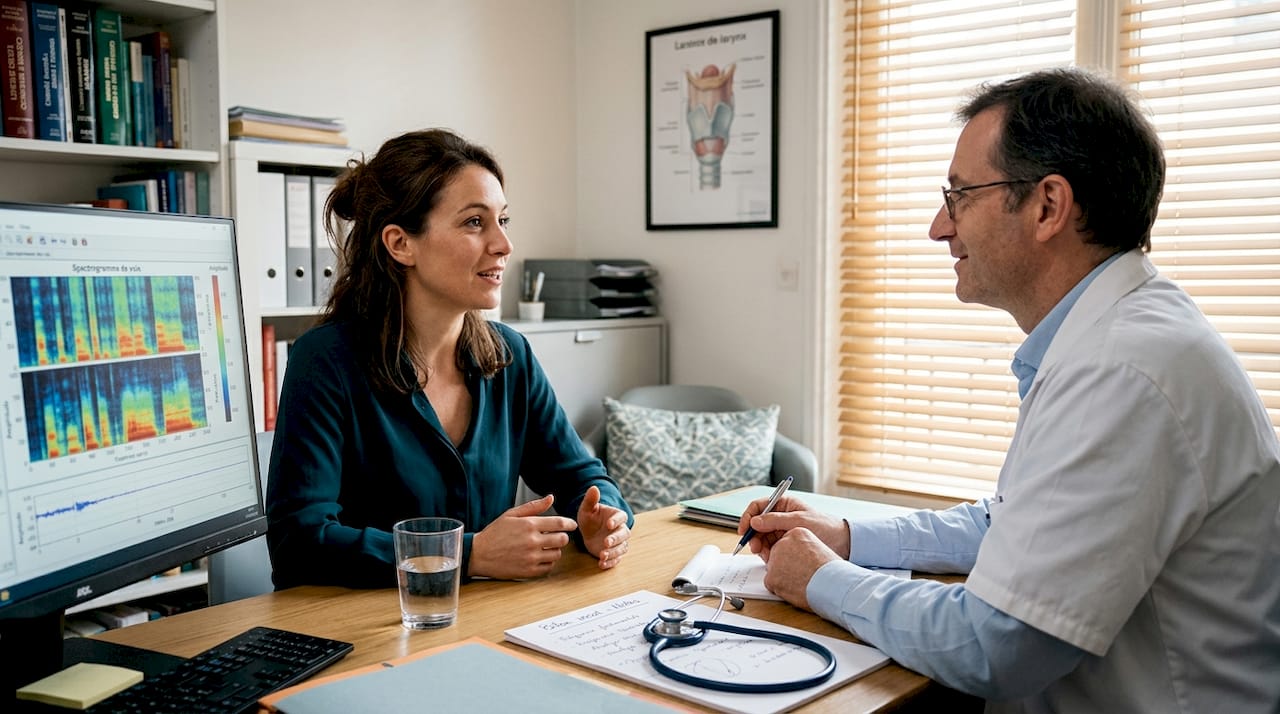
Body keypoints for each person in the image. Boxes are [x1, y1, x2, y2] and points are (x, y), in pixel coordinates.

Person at [739, 68, 1280, 712]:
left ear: (1048, 206)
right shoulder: (1115, 336)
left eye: (960, 194)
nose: (939, 226)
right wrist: (850, 534)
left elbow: (994, 643)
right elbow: (1013, 519)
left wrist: (823, 578)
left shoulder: (1121, 368)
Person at [266, 129, 634, 590]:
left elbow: (582, 476)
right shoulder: (325, 363)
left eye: (503, 219)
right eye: (475, 223)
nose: (504, 244)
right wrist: (468, 554)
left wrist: (604, 520)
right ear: (401, 244)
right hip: (368, 635)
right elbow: (299, 543)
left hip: (485, 623)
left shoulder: (510, 355)